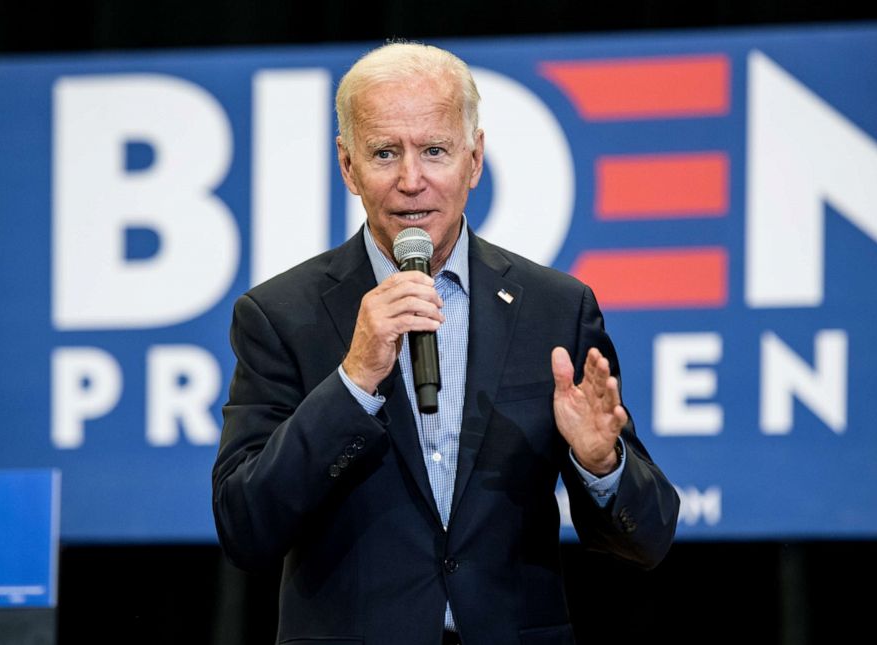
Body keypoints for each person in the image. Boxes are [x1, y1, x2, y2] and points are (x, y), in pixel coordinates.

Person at [212, 41, 679, 645]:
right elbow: (245, 526)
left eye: (435, 151)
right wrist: (353, 383)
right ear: (348, 165)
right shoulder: (280, 316)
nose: (412, 181)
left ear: (475, 158)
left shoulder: (555, 310)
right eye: (384, 153)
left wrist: (600, 464)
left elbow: (648, 536)